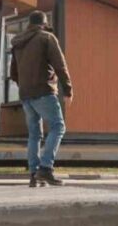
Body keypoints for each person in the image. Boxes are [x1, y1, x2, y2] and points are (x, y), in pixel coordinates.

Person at [9, 10, 73, 187]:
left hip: (25, 94)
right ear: (44, 24)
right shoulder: (47, 38)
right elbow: (60, 65)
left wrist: (25, 85)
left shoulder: (18, 43)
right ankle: (45, 168)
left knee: (34, 135)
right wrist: (68, 90)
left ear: (29, 24)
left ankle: (33, 174)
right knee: (58, 127)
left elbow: (13, 72)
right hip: (43, 91)